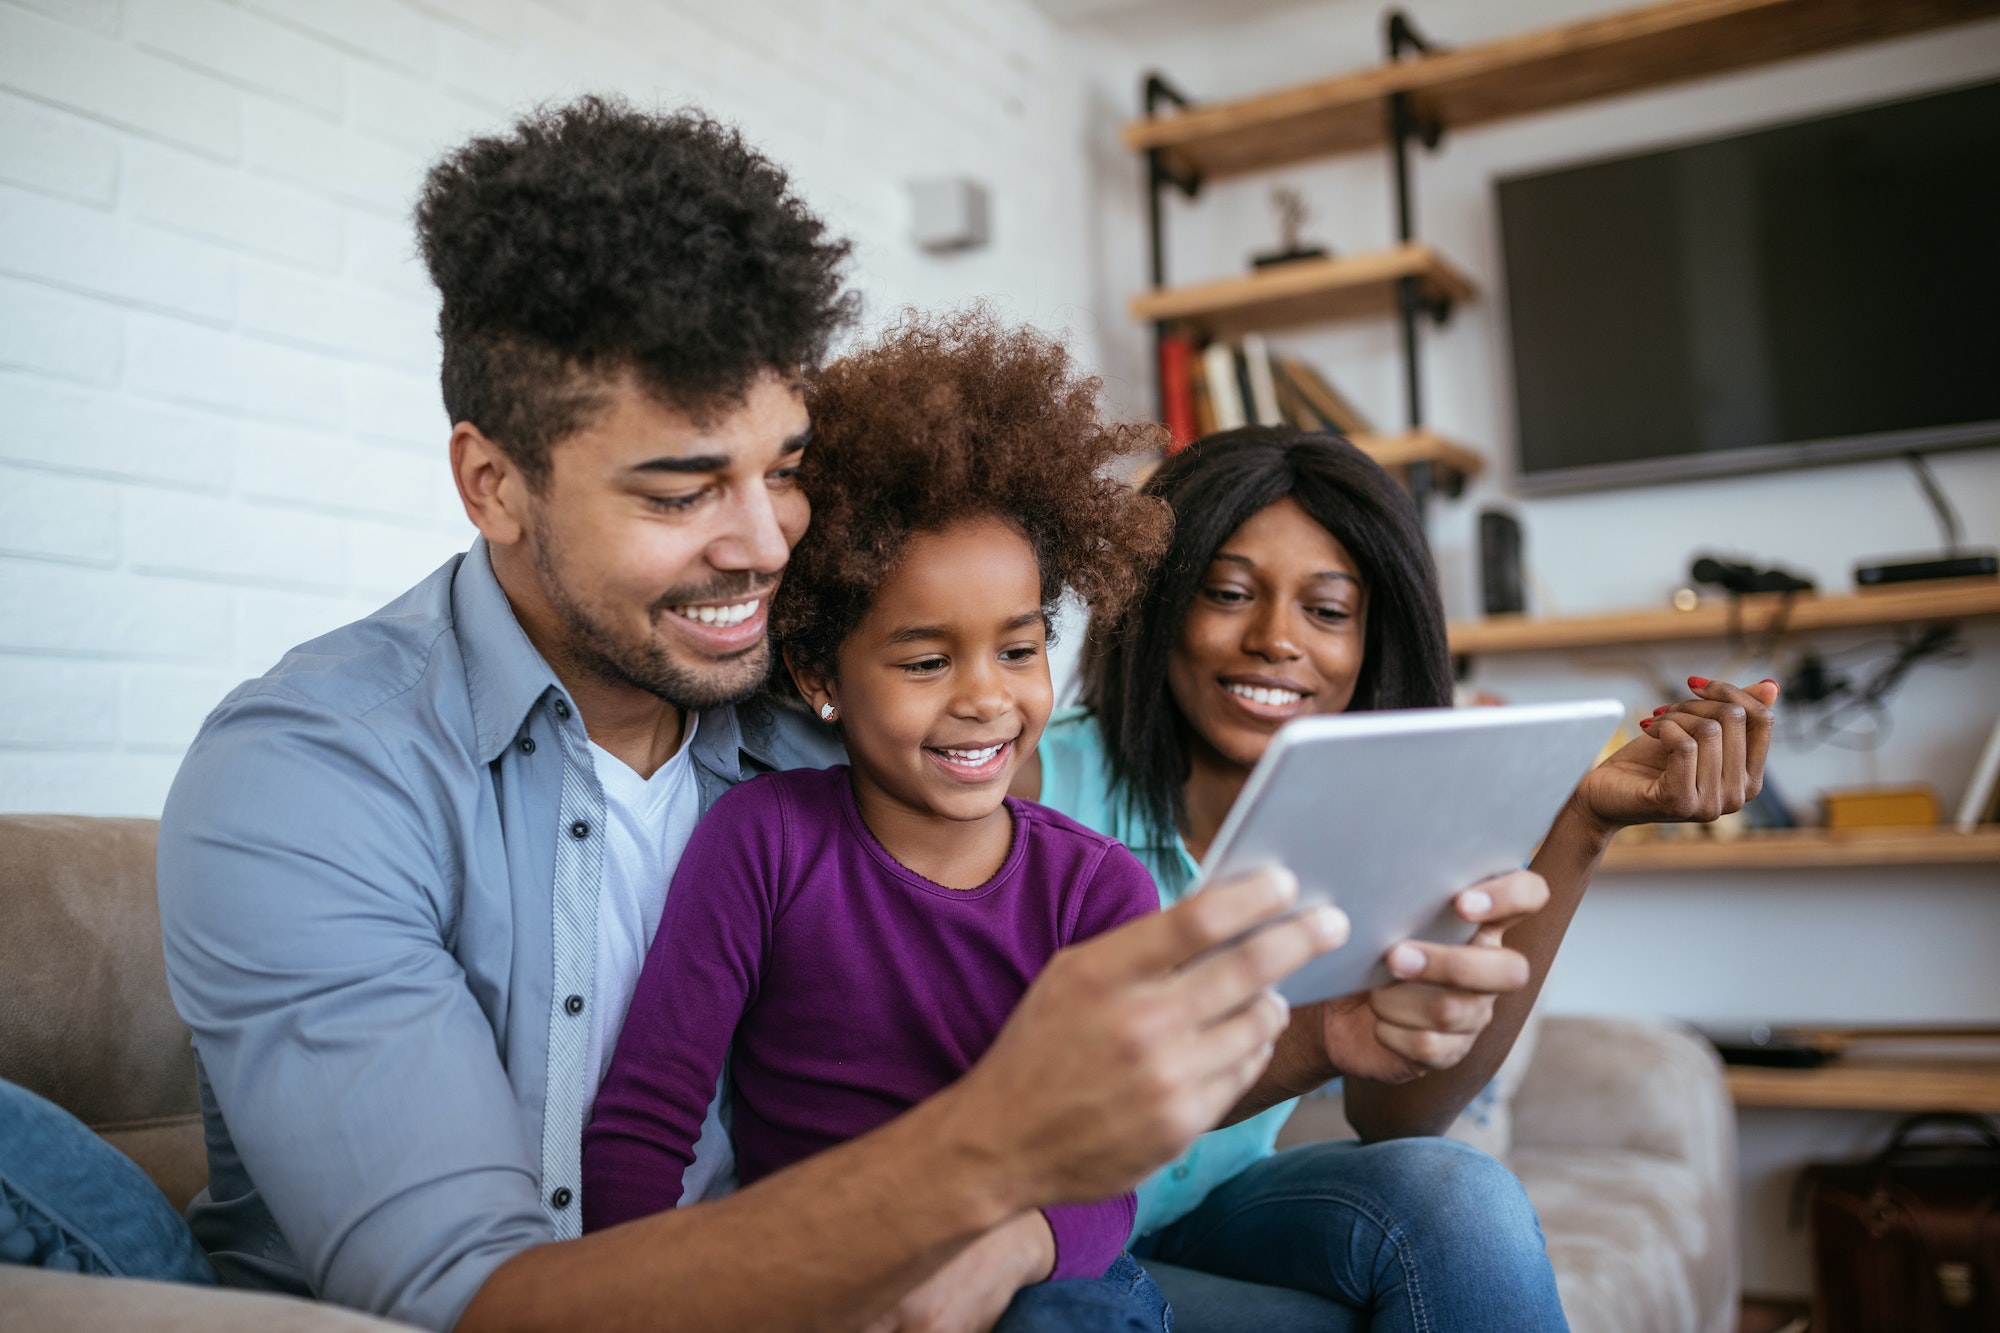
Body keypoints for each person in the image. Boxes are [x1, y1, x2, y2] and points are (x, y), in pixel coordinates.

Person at [68, 99, 1347, 1333]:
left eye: (783, 470)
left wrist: (1327, 1021)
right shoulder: (312, 777)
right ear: (493, 484)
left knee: (1419, 1227)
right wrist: (982, 1150)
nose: (763, 543)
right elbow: (472, 1303)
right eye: (681, 493)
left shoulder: (818, 740)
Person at [1015, 426, 1779, 1331]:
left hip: (1207, 1214)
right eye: (1226, 593)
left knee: (1461, 1198)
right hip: (1042, 1238)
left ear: (1375, 637)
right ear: (1157, 600)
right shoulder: (1031, 786)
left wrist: (1585, 820)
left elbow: (1399, 1111)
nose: (1275, 640)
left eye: (1329, 610)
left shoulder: (1378, 812)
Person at [583, 312, 1182, 1330]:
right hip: (817, 1277)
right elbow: (643, 1125)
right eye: (923, 661)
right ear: (819, 674)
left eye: (1019, 649)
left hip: (1038, 1277)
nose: (986, 698)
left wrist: (1003, 1253)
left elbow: (1105, 1179)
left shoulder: (1098, 888)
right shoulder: (761, 842)